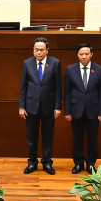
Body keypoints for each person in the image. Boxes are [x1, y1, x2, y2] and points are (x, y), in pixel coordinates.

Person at [19, 37, 62, 175]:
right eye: (36, 49)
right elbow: (23, 87)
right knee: (31, 137)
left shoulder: (55, 63)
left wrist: (58, 106)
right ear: (33, 50)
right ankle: (32, 162)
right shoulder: (27, 63)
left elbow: (58, 86)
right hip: (31, 106)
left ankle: (47, 163)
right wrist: (21, 106)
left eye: (41, 50)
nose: (38, 52)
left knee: (48, 137)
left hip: (49, 107)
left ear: (47, 50)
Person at [64, 43, 101, 173]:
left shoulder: (99, 69)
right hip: (76, 110)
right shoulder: (70, 69)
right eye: (81, 54)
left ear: (91, 55)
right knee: (77, 139)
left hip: (93, 110)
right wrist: (67, 111)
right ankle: (78, 163)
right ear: (77, 55)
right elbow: (67, 92)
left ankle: (91, 163)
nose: (84, 56)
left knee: (93, 139)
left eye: (86, 54)